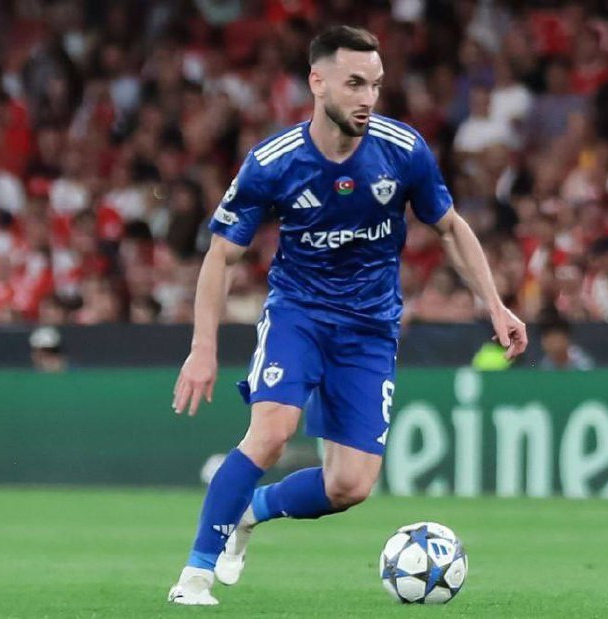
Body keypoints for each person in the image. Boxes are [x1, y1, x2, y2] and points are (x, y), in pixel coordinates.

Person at [168, 26, 528, 606]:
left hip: (370, 329)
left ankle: (248, 513)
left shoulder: (402, 150)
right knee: (272, 433)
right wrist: (202, 348)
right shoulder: (273, 162)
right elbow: (222, 255)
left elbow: (450, 227)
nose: (368, 98)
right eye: (355, 84)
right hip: (299, 315)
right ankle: (195, 575)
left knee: (349, 485)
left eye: (376, 85)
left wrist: (495, 303)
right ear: (318, 82)